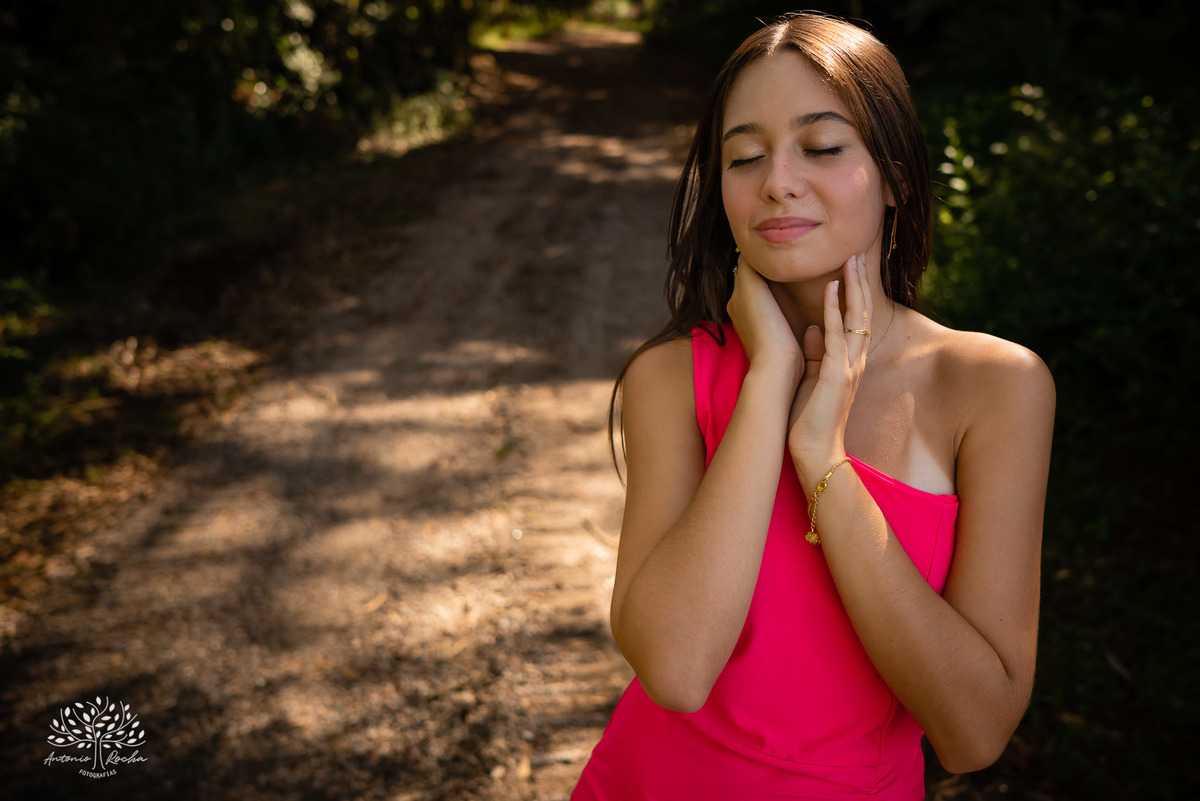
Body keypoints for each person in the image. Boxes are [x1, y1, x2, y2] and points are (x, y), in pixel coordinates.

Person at [571, 11, 1055, 801]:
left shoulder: (993, 385)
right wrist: (769, 381)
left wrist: (822, 458)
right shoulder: (671, 378)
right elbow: (677, 667)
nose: (777, 182)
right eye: (744, 156)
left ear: (895, 175)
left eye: (823, 147)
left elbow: (975, 731)